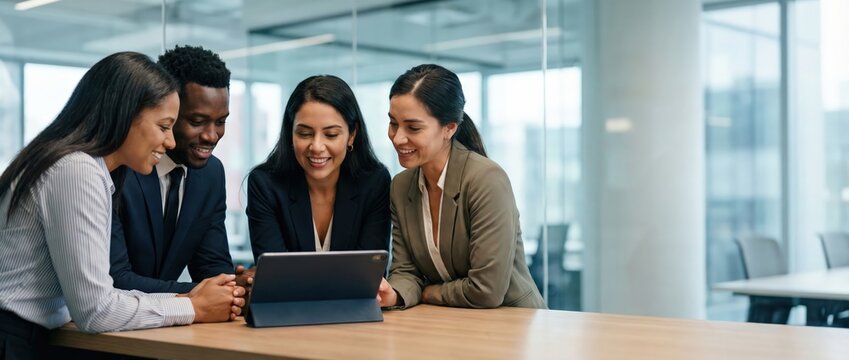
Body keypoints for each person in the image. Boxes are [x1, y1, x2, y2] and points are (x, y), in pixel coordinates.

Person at [0, 52, 244, 357]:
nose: (169, 142)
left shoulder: (89, 169)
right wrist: (192, 305)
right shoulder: (76, 169)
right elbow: (96, 309)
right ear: (127, 116)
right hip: (14, 339)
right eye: (163, 126)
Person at [377, 64, 545, 309]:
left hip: (513, 323)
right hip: (452, 326)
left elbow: (486, 290)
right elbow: (405, 271)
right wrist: (395, 294)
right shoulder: (401, 186)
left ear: (449, 128)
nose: (398, 137)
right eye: (393, 123)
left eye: (413, 128)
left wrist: (427, 292)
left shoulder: (486, 180)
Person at [109, 45, 250, 294]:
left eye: (220, 122)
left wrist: (235, 288)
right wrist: (201, 294)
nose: (211, 136)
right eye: (196, 121)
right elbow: (115, 279)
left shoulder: (211, 174)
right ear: (168, 110)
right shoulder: (121, 165)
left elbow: (211, 266)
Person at [247, 75, 390, 261]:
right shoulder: (265, 184)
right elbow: (275, 276)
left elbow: (371, 274)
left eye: (330, 135)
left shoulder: (375, 182)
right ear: (290, 133)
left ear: (352, 135)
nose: (316, 146)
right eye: (304, 133)